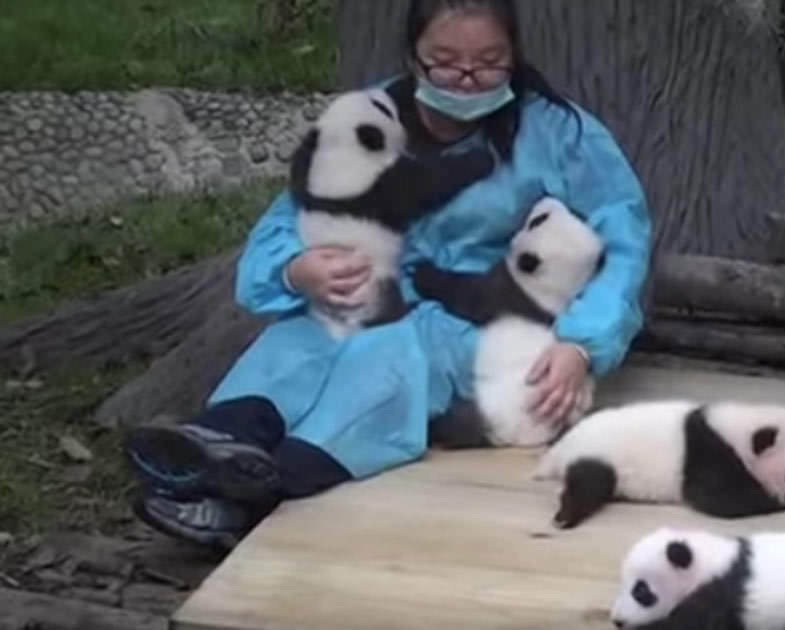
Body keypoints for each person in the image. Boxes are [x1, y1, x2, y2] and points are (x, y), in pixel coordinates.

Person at [123, 0, 652, 551]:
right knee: (300, 337)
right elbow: (290, 218)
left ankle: (255, 487)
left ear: (514, 56)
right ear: (413, 57)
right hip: (372, 301)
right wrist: (295, 268)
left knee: (386, 356)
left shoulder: (562, 135)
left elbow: (624, 240)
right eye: (446, 63)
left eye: (490, 63)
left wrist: (583, 344)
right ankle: (221, 438)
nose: (468, 81)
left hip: (484, 328)